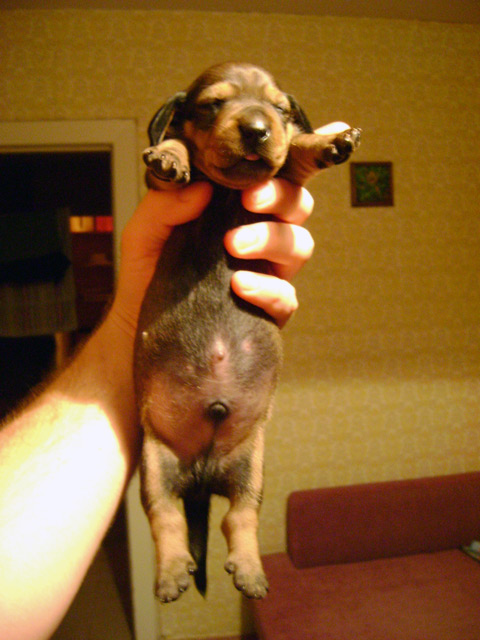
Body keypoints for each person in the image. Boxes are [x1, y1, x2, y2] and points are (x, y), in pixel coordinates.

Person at [0, 175, 314, 639]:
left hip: (238, 434)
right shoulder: (185, 166)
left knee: (245, 494)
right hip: (172, 428)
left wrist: (306, 158)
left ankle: (242, 534)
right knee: (164, 489)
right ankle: (171, 540)